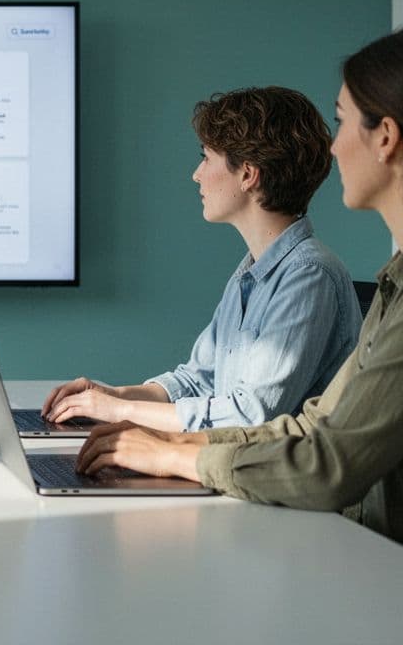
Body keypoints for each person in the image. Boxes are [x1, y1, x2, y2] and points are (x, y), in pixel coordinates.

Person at [76, 26, 403, 569]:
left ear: (386, 138)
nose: (333, 147)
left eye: (342, 121)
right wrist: (174, 448)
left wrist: (179, 459)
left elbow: (332, 465)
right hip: (363, 552)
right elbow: (312, 426)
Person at [43, 87, 360, 432]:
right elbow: (197, 381)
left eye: (206, 158)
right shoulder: (250, 274)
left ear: (248, 174)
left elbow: (251, 416)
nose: (196, 174)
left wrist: (120, 411)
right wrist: (113, 395)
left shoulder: (309, 275)